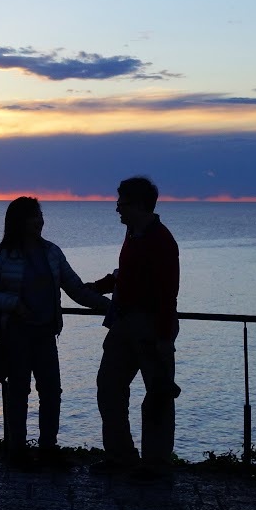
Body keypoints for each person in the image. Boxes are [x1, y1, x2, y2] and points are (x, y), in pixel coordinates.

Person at [0, 196, 109, 469]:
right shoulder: (3, 256)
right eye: (34, 216)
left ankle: (47, 449)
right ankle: (18, 451)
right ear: (19, 221)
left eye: (40, 215)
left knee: (51, 392)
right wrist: (15, 305)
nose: (40, 221)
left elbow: (75, 288)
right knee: (19, 391)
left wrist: (107, 306)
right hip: (15, 335)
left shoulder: (52, 252)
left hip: (46, 333)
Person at [88, 175, 181, 483]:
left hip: (151, 326)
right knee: (109, 386)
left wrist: (164, 338)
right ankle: (121, 455)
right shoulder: (133, 234)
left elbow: (168, 294)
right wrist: (99, 286)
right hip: (125, 322)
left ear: (139, 205)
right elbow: (125, 275)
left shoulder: (162, 241)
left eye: (122, 203)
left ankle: (155, 464)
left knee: (157, 395)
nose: (117, 208)